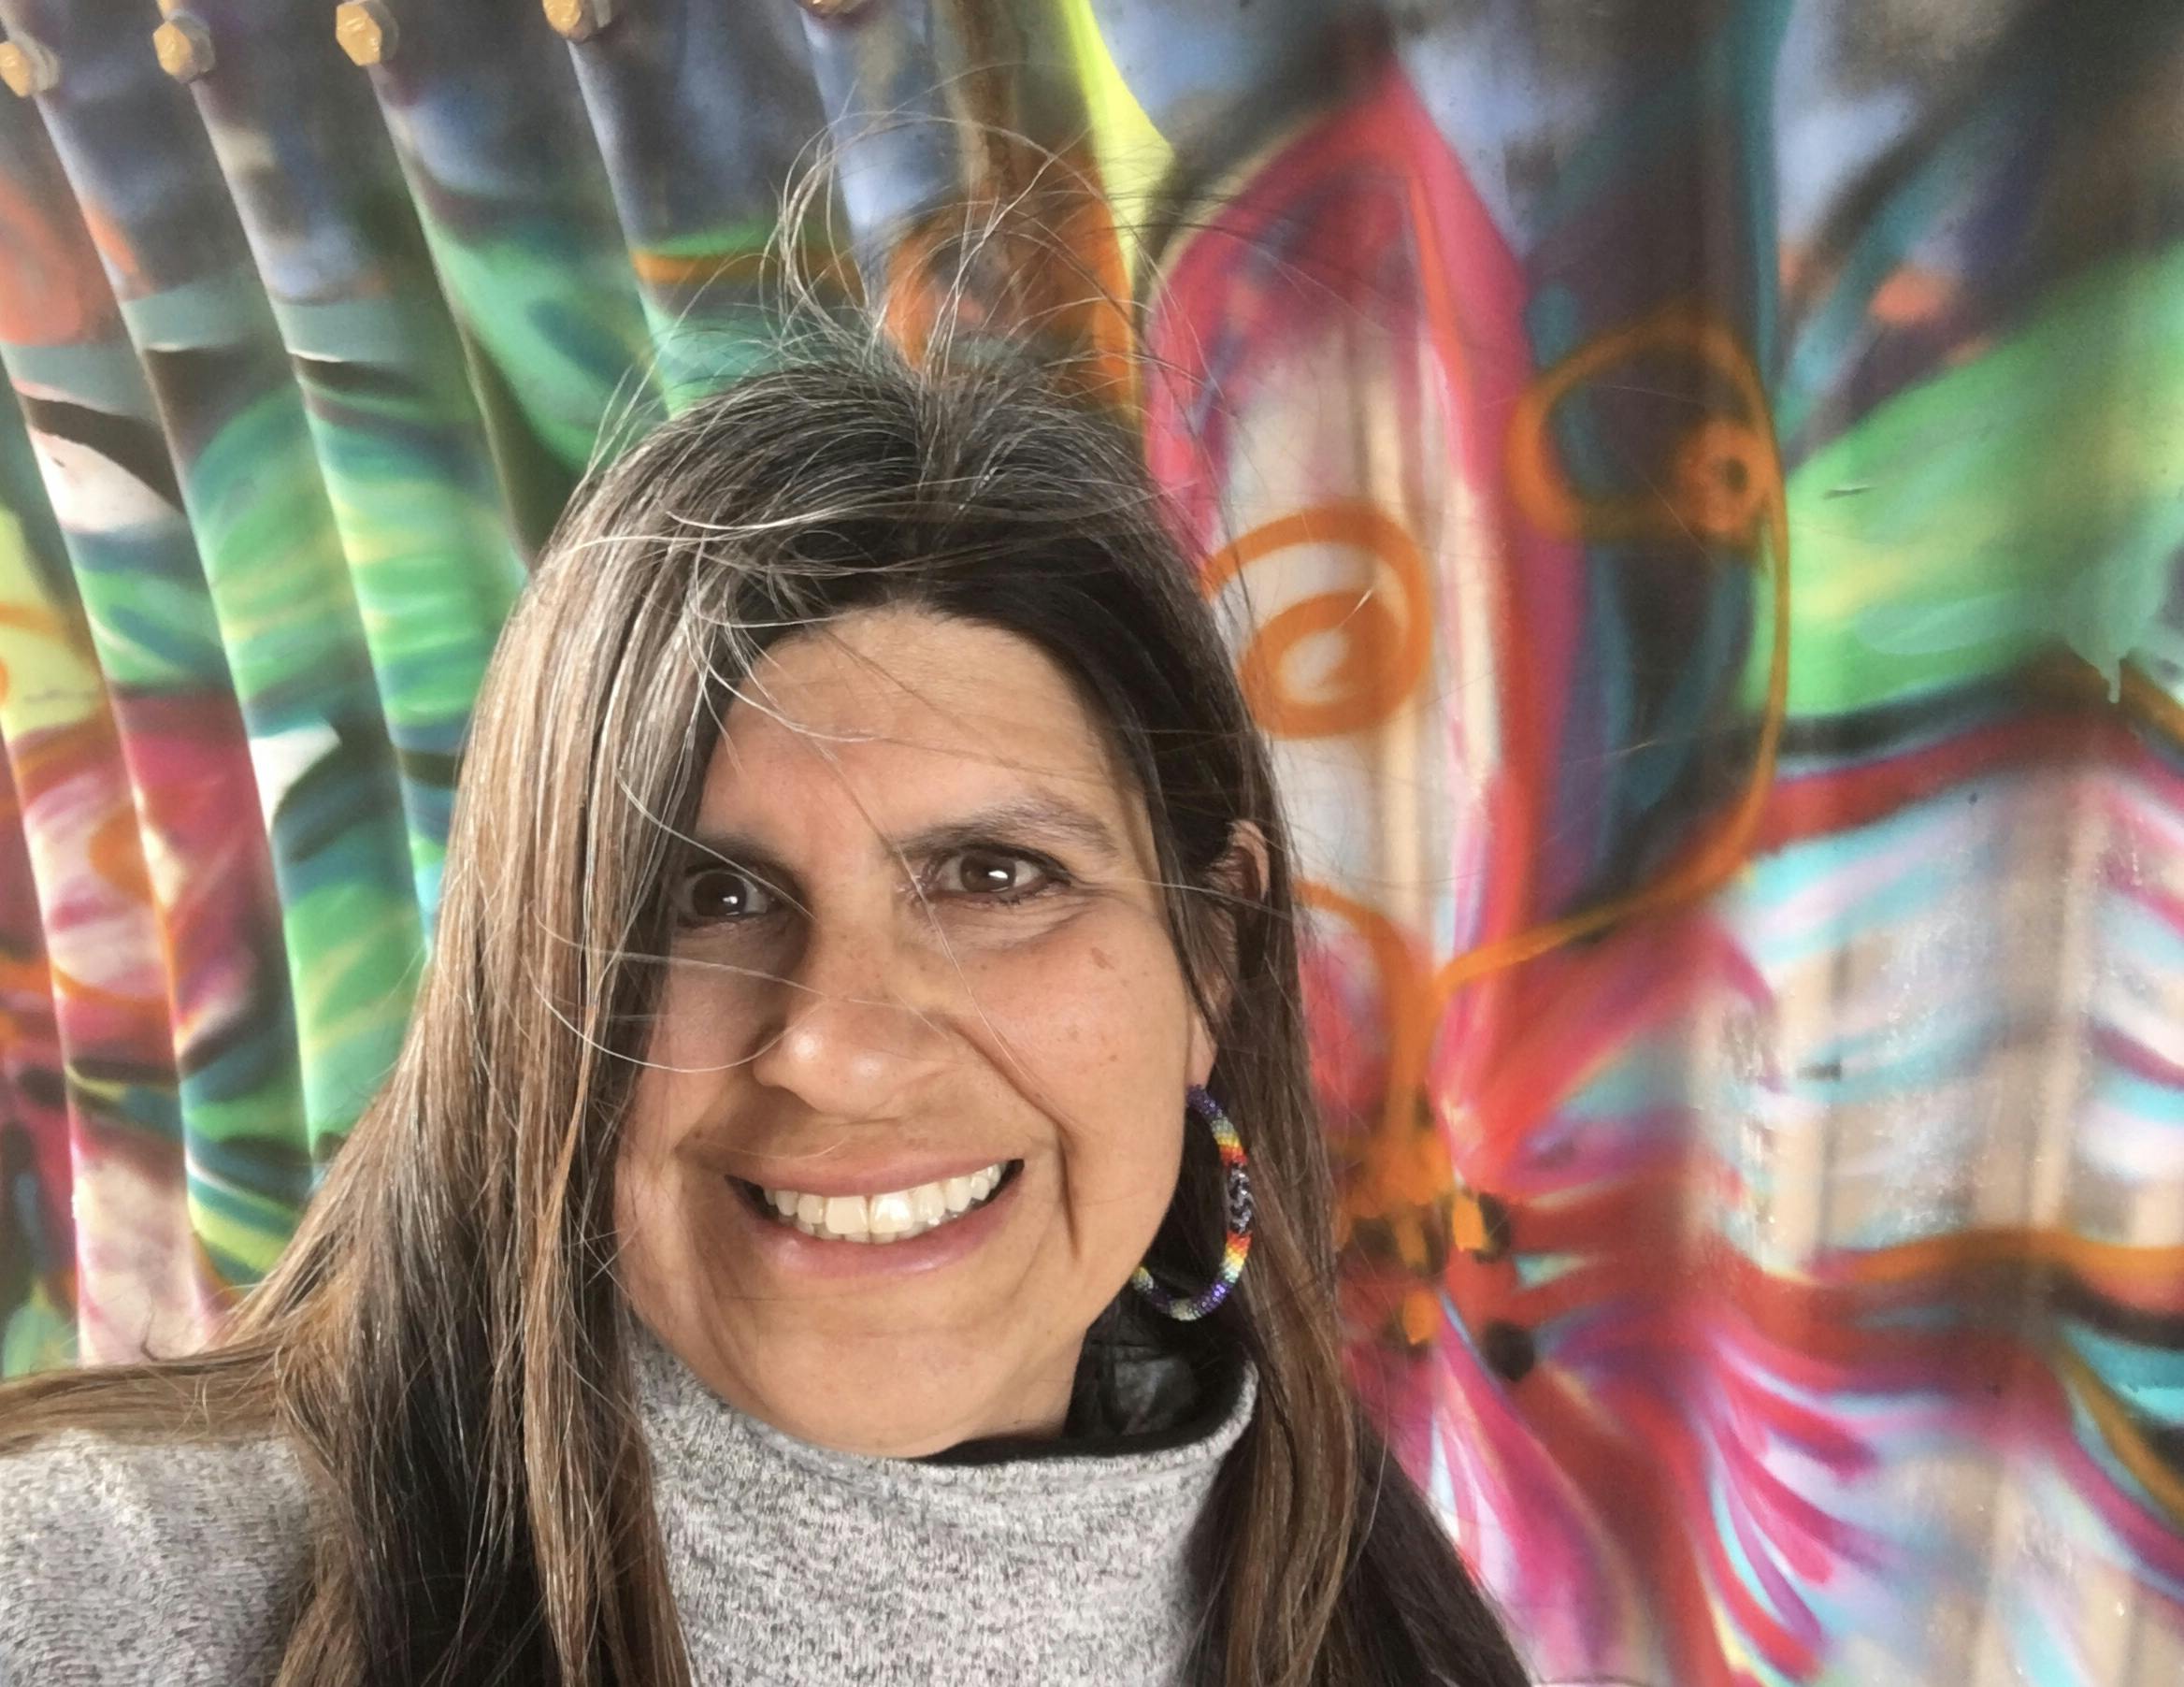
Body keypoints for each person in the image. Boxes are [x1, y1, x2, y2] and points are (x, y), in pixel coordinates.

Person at [0, 307, 1533, 1686]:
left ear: (1214, 955)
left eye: (996, 878)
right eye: (705, 898)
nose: (842, 1052)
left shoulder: (1393, 1625)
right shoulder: (85, 1590)